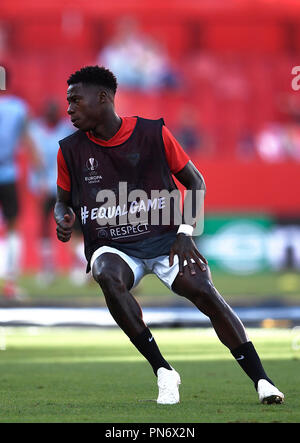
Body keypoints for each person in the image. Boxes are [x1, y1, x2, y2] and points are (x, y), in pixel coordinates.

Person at [54, 65, 284, 405]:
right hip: (114, 245)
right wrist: (63, 217)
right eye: (68, 101)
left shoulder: (153, 134)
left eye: (75, 100)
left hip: (166, 241)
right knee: (105, 273)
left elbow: (196, 182)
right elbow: (61, 202)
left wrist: (185, 234)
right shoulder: (69, 150)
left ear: (102, 98)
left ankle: (263, 381)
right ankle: (163, 370)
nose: (69, 109)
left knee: (204, 292)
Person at [28, 100, 85, 285]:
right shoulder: (35, 130)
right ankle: (47, 266)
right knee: (45, 225)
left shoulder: (66, 129)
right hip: (44, 185)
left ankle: (79, 265)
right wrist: (39, 181)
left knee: (72, 224)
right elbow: (34, 157)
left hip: (64, 186)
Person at [0, 72, 40, 298]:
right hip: (7, 175)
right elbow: (28, 140)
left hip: (7, 173)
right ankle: (11, 283)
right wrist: (41, 172)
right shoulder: (18, 108)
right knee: (13, 227)